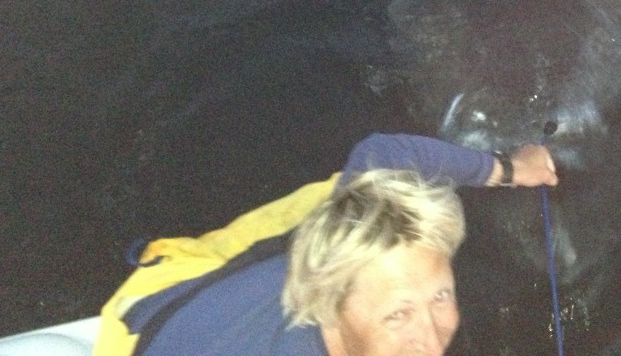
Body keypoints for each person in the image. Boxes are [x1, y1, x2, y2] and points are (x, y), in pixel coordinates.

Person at [124, 133, 558, 356]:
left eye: (440, 296)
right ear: (329, 303)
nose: (430, 339)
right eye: (398, 314)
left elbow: (386, 152)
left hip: (213, 304)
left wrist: (510, 168)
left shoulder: (346, 256)